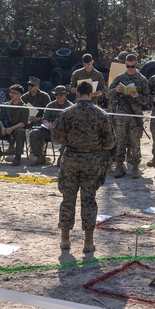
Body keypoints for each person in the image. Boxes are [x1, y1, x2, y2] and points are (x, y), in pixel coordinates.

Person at [51, 81, 116, 254]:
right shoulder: (101, 114)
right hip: (92, 163)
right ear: (92, 93)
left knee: (67, 199)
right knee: (89, 201)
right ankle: (88, 242)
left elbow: (56, 139)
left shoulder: (66, 113)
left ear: (77, 94)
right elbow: (110, 142)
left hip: (70, 161)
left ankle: (65, 240)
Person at [106, 53, 150, 178]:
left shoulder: (142, 80)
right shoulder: (119, 78)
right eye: (128, 66)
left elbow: (147, 99)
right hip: (121, 116)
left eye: (132, 66)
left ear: (136, 64)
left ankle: (135, 167)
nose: (130, 68)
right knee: (120, 141)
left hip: (135, 115)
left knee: (135, 142)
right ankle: (120, 166)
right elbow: (107, 94)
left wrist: (138, 97)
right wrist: (116, 91)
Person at [29, 85, 73, 165]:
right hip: (50, 131)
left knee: (69, 138)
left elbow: (72, 123)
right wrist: (48, 125)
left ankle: (61, 158)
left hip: (64, 133)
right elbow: (44, 118)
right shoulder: (50, 105)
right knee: (34, 133)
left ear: (65, 94)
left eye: (61, 95)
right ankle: (40, 156)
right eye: (56, 95)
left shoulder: (70, 106)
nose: (58, 97)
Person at [0, 84, 30, 165]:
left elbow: (23, 123)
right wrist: (2, 127)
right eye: (11, 92)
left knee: (20, 131)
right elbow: (0, 119)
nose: (11, 95)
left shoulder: (24, 107)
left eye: (14, 93)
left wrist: (11, 129)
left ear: (20, 94)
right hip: (5, 129)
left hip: (15, 129)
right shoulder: (5, 105)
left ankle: (18, 156)